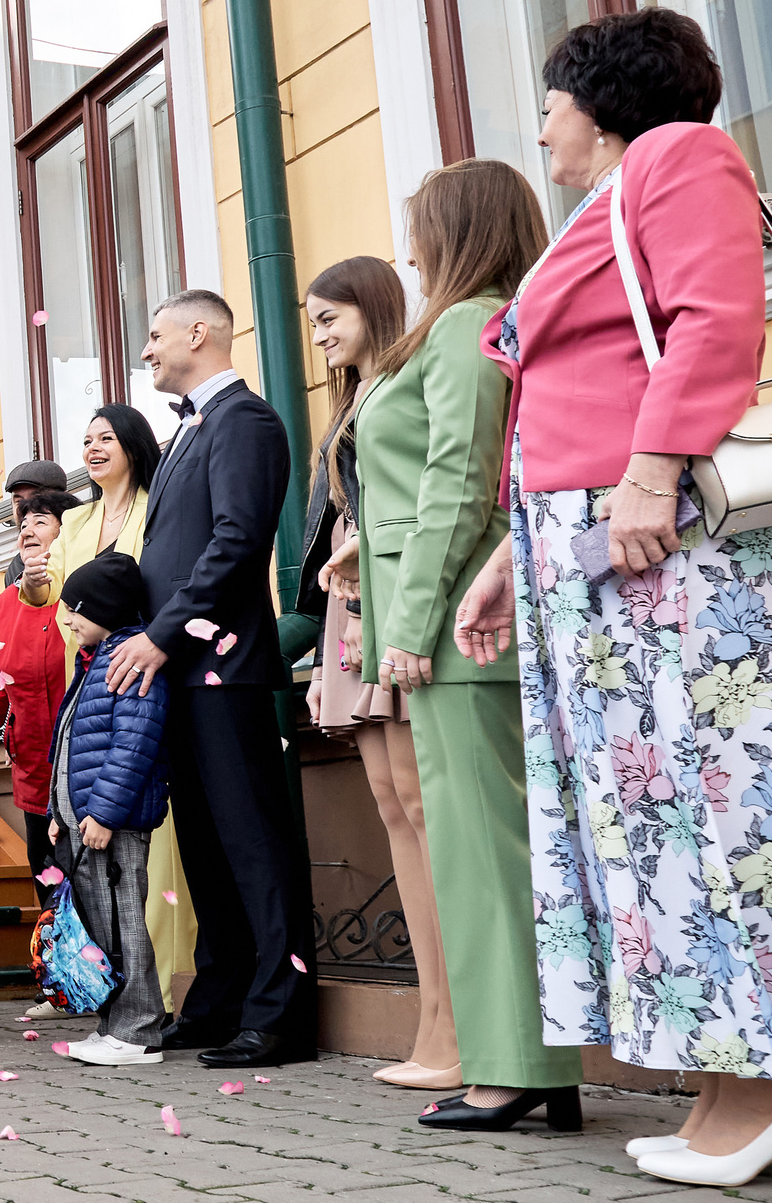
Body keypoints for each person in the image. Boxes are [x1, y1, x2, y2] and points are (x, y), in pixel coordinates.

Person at [457, 7, 772, 1186]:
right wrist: (506, 555)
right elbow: (553, 397)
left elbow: (715, 321)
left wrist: (647, 470)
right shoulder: (597, 209)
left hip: (663, 536)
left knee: (727, 798)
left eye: (548, 102)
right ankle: (729, 1078)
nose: (539, 129)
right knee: (655, 821)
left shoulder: (679, 154)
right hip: (593, 546)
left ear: (599, 99)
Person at [351, 164, 584, 1134]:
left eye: (417, 231)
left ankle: (512, 1066)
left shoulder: (461, 324)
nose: (408, 251)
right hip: (458, 608)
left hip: (453, 622)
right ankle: (528, 1062)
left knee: (479, 844)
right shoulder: (477, 319)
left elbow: (459, 474)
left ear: (456, 229)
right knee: (484, 839)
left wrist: (407, 620)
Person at [110, 291, 314, 1071]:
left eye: (155, 334)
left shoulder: (245, 422)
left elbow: (235, 543)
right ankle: (222, 999)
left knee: (253, 845)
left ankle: (280, 1014)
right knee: (205, 850)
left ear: (199, 333)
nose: (147, 351)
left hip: (220, 667)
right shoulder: (189, 430)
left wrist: (164, 635)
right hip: (180, 675)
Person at [294, 257, 459, 1091]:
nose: (319, 336)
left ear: (375, 308)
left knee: (423, 804)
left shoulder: (407, 375)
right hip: (352, 601)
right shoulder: (354, 399)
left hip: (392, 587)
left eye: (332, 317)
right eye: (313, 322)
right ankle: (435, 1017)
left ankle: (454, 1022)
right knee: (394, 804)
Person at [11, 404, 196, 1016]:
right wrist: (36, 577)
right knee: (94, 863)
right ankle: (110, 997)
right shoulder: (79, 518)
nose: (92, 448)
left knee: (151, 851)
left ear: (134, 445)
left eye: (106, 438)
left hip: (145, 678)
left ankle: (164, 992)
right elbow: (48, 596)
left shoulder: (159, 504)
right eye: (85, 439)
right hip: (85, 688)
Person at [45, 554, 172, 1065]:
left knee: (124, 925)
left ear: (107, 608)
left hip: (109, 825)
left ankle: (139, 1030)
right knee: (101, 927)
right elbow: (71, 743)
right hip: (83, 821)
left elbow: (133, 746)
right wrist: (61, 809)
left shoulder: (127, 662)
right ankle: (112, 1024)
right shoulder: (95, 660)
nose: (69, 619)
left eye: (76, 609)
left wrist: (104, 814)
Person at [0, 491, 81, 886]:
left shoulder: (87, 591)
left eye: (40, 521)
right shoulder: (7, 602)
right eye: (22, 523)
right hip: (33, 775)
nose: (26, 529)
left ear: (69, 531)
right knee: (49, 887)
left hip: (85, 769)